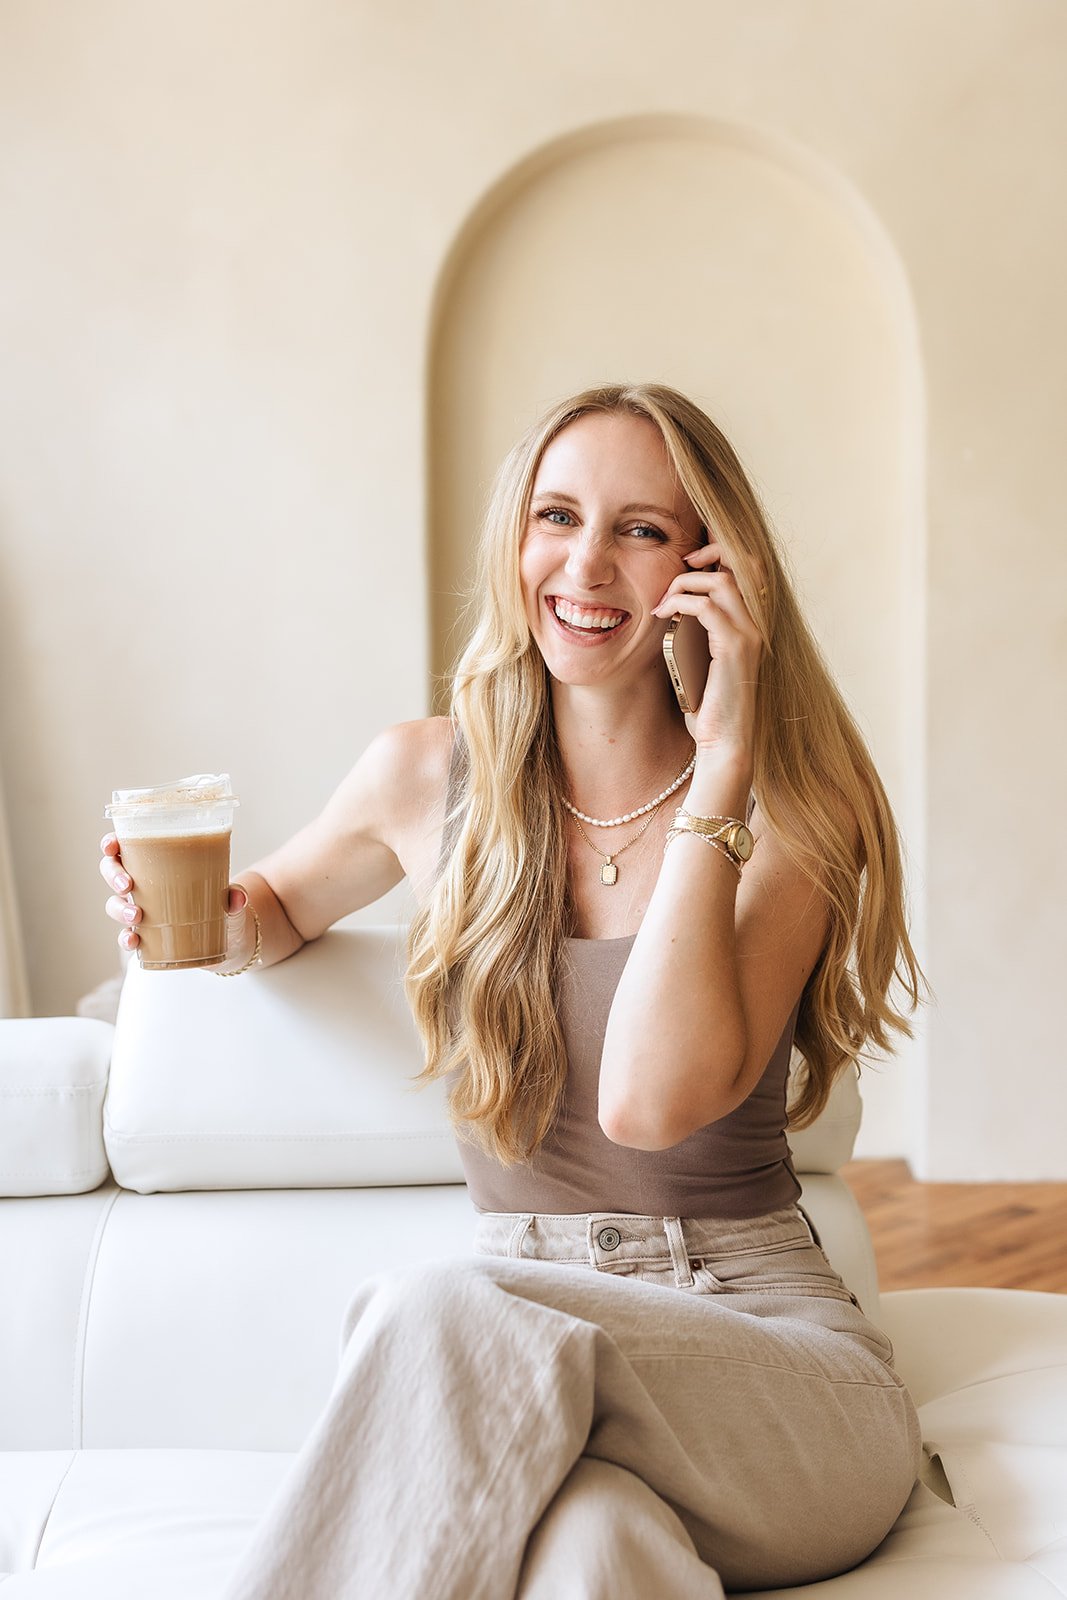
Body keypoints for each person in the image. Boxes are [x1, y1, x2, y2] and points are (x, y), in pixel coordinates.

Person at [100, 382, 928, 1598]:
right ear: (515, 537)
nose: (585, 563)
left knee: (444, 1307)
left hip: (769, 1366)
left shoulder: (793, 810)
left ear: (712, 570)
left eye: (641, 530)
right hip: (551, 1367)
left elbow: (649, 1101)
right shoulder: (423, 775)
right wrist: (200, 925)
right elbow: (269, 907)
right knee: (593, 1557)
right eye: (556, 515)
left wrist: (725, 764)